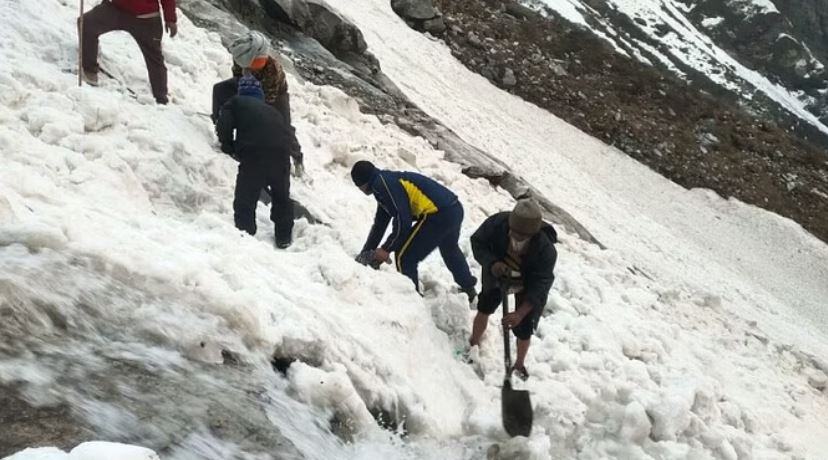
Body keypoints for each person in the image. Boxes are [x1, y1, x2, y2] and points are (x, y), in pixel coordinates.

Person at [350, 160, 477, 300]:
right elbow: (380, 225)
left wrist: (386, 249)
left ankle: (412, 301)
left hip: (439, 214)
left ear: (362, 183)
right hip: (454, 209)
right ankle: (469, 290)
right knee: (450, 250)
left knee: (405, 256)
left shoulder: (382, 185)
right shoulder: (384, 182)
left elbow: (403, 221)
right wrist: (366, 252)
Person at [468, 199, 557, 380]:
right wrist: (492, 263)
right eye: (513, 231)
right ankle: (473, 344)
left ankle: (519, 364)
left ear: (532, 233)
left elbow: (541, 284)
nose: (515, 237)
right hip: (497, 272)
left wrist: (520, 313)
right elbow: (477, 242)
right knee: (485, 306)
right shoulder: (497, 224)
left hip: (527, 283)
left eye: (522, 236)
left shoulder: (545, 250)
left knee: (524, 326)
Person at [215, 75, 300, 248]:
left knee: (246, 197)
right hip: (281, 156)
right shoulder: (273, 111)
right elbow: (287, 133)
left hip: (255, 154)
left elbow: (224, 123)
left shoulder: (236, 102)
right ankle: (283, 237)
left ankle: (245, 234)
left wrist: (228, 146)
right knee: (281, 197)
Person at [211, 31, 303, 170]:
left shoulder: (273, 70)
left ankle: (297, 158)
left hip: (275, 95)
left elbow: (266, 102)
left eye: (256, 63)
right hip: (246, 85)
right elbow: (237, 77)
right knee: (220, 90)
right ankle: (221, 126)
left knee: (284, 127)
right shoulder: (240, 56)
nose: (249, 67)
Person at [79, 0, 177, 104]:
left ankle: (161, 98)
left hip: (146, 17)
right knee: (86, 23)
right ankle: (89, 70)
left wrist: (170, 18)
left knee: (154, 58)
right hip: (117, 9)